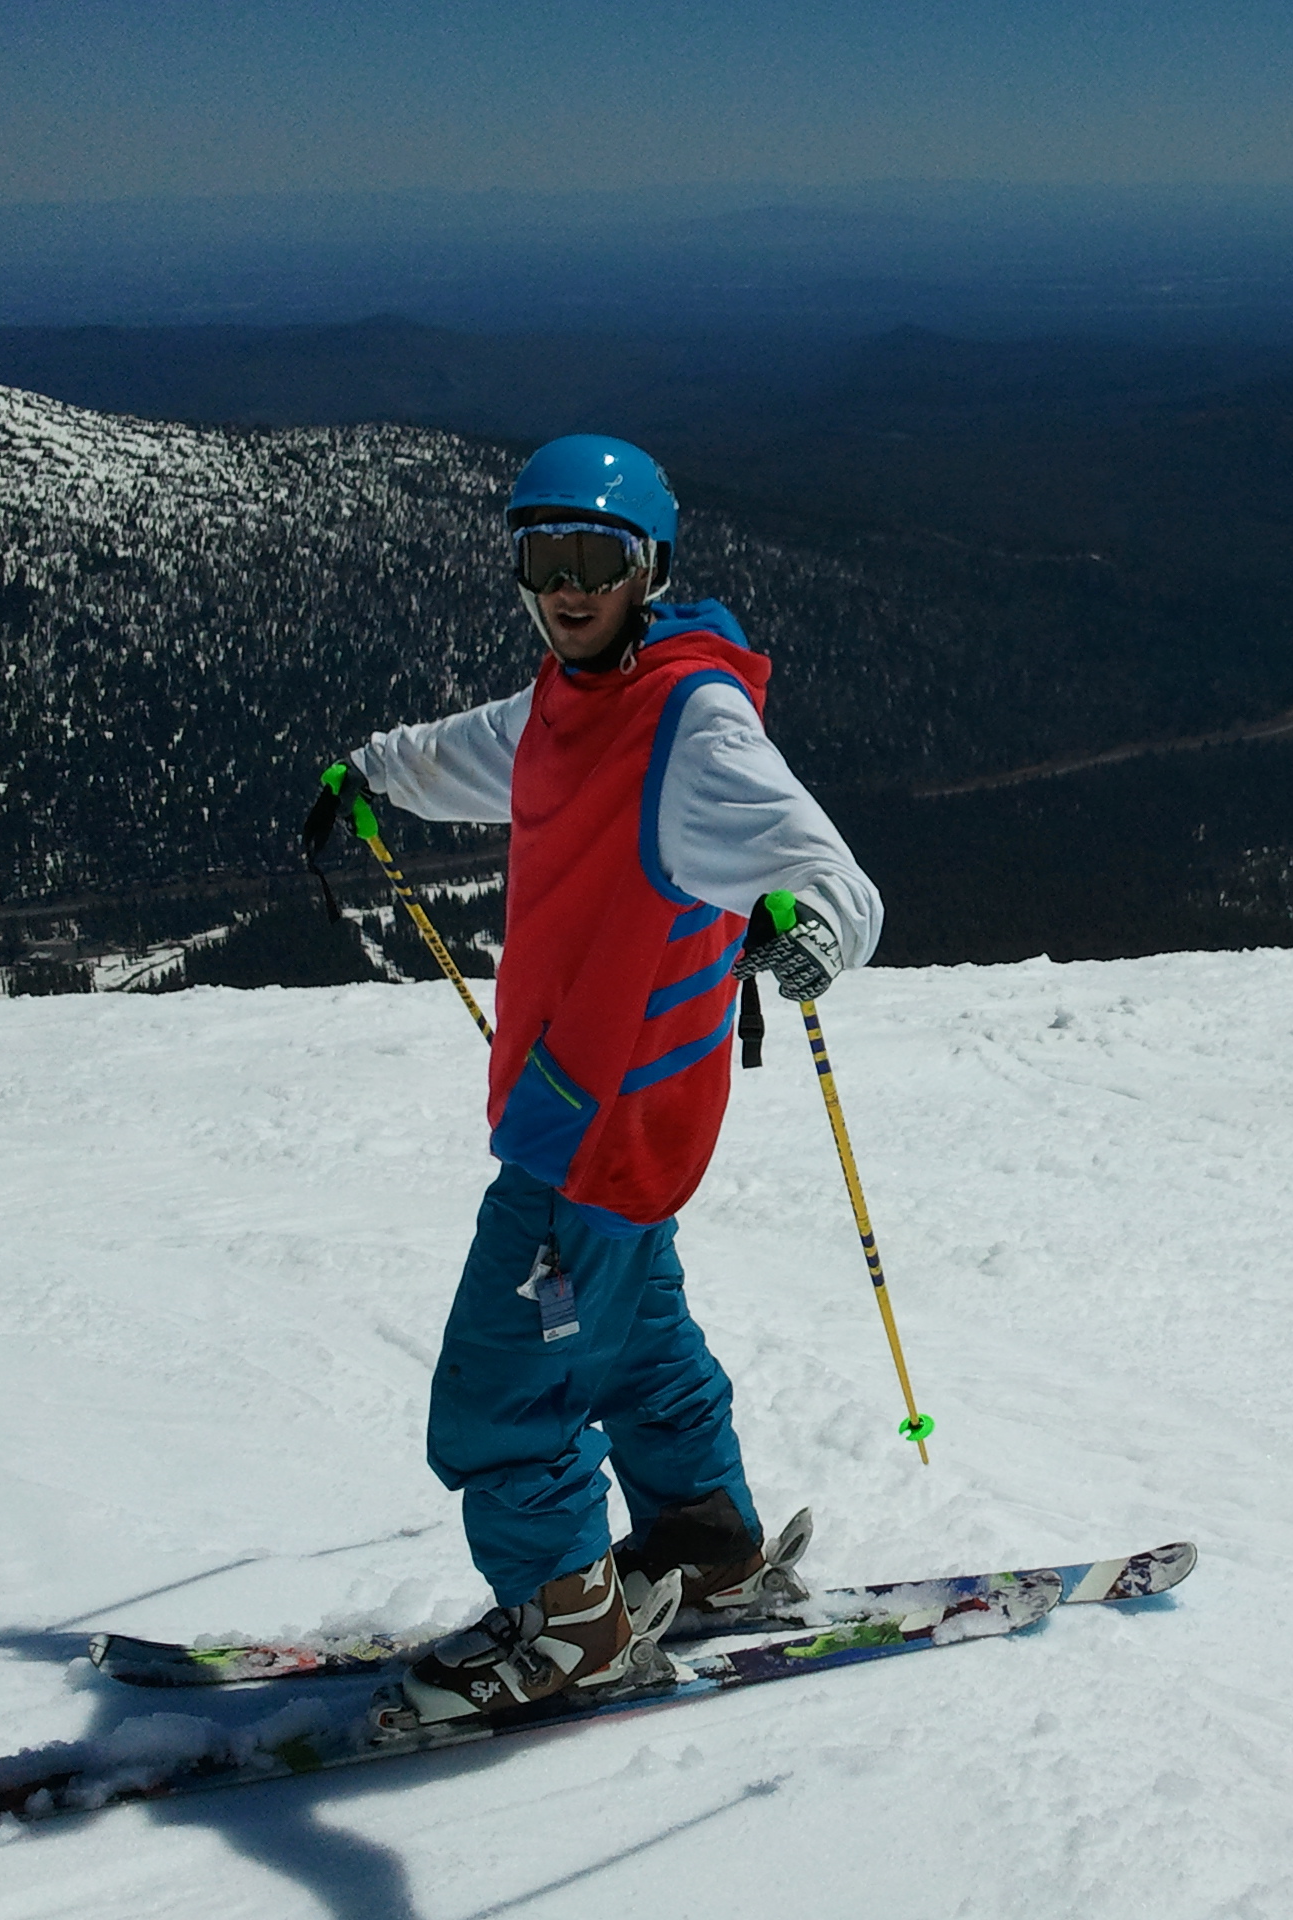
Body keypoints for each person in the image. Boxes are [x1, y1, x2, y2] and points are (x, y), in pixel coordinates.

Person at [301, 435, 882, 1726]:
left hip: (601, 1120)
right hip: (610, 1111)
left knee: (503, 1386)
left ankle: (570, 1633)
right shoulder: (571, 696)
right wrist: (374, 770)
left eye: (597, 559)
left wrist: (819, 927)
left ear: (648, 568)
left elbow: (823, 867)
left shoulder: (691, 720)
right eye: (544, 557)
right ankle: (704, 1545)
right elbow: (485, 747)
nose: (569, 586)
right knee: (633, 1338)